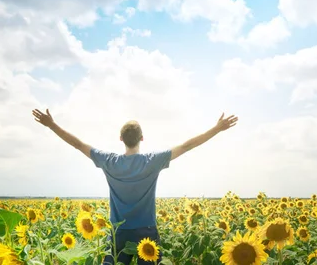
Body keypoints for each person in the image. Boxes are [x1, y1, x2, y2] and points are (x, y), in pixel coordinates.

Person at [32, 108, 238, 265]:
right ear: (142, 138)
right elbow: (187, 146)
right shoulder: (152, 161)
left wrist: (52, 125)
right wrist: (217, 129)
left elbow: (78, 144)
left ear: (121, 139)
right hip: (146, 230)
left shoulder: (109, 161)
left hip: (117, 232)